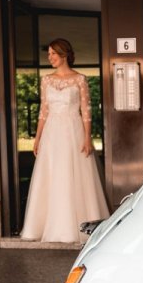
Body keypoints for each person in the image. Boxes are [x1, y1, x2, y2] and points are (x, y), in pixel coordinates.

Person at [20, 38, 109, 242]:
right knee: (52, 174)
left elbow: (86, 111)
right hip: (52, 132)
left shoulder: (80, 79)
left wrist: (87, 137)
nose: (49, 57)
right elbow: (44, 110)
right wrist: (37, 137)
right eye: (48, 54)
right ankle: (45, 226)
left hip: (73, 129)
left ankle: (77, 227)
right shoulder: (46, 80)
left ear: (64, 54)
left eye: (53, 53)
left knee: (74, 174)